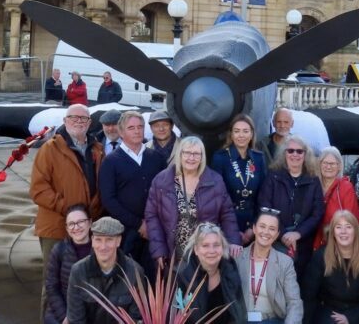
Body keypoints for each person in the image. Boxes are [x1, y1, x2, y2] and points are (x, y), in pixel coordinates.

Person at [30, 103, 103, 320]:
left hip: (87, 226)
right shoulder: (49, 149)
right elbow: (38, 189)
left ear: (89, 123)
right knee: (52, 283)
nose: (79, 122)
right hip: (56, 227)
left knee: (84, 279)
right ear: (65, 121)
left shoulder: (97, 150)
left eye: (84, 119)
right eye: (74, 117)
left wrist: (94, 210)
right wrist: (69, 210)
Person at [144, 135, 242, 267]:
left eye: (196, 153)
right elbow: (152, 216)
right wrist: (158, 249)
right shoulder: (162, 180)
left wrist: (233, 240)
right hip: (172, 253)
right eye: (187, 153)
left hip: (206, 253)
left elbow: (227, 213)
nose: (191, 158)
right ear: (180, 154)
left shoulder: (215, 180)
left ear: (202, 157)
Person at [99, 110, 166, 275]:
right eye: (131, 128)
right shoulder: (111, 161)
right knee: (128, 278)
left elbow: (166, 193)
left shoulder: (156, 158)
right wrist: (138, 224)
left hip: (155, 230)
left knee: (155, 276)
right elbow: (108, 199)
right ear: (121, 132)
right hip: (126, 232)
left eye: (140, 127)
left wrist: (154, 222)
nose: (137, 131)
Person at [258, 135, 324, 279]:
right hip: (275, 242)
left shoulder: (313, 180)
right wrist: (282, 234)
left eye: (299, 151)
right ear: (284, 153)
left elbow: (317, 212)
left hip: (304, 244)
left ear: (305, 155)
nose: (295, 154)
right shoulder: (273, 177)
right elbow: (265, 206)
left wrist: (298, 233)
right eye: (291, 151)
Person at [302, 210, 359, 324]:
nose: (343, 232)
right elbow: (309, 295)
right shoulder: (321, 256)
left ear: (356, 231)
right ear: (333, 232)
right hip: (328, 312)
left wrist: (351, 317)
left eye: (348, 227)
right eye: (338, 227)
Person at [66, 216, 145, 324]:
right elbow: (76, 319)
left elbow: (135, 318)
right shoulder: (78, 271)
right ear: (92, 241)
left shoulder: (135, 271)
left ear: (118, 241)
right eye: (98, 240)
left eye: (109, 240)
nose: (103, 247)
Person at [234, 209, 303, 324]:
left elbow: (294, 302)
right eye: (262, 226)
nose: (266, 232)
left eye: (272, 229)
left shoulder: (285, 262)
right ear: (254, 229)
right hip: (241, 320)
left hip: (271, 320)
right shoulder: (238, 257)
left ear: (276, 234)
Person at [210, 114, 267, 245]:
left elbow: (264, 196)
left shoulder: (258, 158)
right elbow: (216, 196)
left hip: (254, 225)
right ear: (231, 134)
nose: (241, 135)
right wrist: (232, 230)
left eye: (245, 131)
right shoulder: (220, 158)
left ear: (252, 134)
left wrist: (254, 227)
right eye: (237, 131)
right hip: (228, 222)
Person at [176, 223, 247, 324]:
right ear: (196, 249)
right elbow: (178, 317)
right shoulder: (184, 276)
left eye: (216, 245)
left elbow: (239, 313)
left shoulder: (230, 270)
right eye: (205, 245)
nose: (212, 251)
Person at [44, 205, 93, 324]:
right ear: (66, 228)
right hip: (64, 309)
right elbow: (51, 286)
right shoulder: (59, 250)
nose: (76, 227)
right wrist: (65, 316)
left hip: (92, 311)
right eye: (71, 224)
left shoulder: (100, 249)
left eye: (81, 221)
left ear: (90, 223)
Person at [313, 146, 359, 250]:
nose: (328, 167)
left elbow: (352, 219)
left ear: (339, 166)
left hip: (337, 244)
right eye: (325, 163)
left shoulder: (345, 187)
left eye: (332, 163)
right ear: (319, 164)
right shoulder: (313, 186)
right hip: (314, 244)